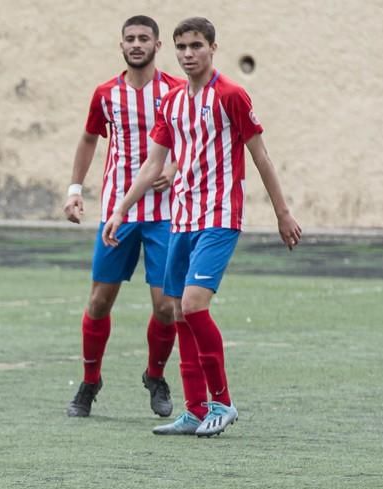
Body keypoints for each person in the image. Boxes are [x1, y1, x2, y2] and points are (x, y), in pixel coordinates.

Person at [102, 17, 301, 437]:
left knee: (193, 305)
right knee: (177, 312)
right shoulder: (172, 102)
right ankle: (193, 410)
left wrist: (282, 212)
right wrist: (121, 209)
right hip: (182, 218)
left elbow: (261, 156)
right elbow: (153, 164)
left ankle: (223, 402)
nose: (189, 54)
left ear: (213, 48)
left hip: (219, 219)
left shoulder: (231, 95)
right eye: (182, 47)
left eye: (196, 46)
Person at [64, 15, 183, 419]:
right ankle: (90, 380)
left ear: (157, 45)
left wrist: (177, 167)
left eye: (143, 38)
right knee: (99, 301)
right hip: (118, 212)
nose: (136, 44)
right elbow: (88, 138)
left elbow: (196, 140)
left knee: (167, 307)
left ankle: (155, 375)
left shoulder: (177, 91)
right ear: (121, 46)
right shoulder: (106, 94)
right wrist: (75, 190)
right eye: (129, 39)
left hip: (166, 214)